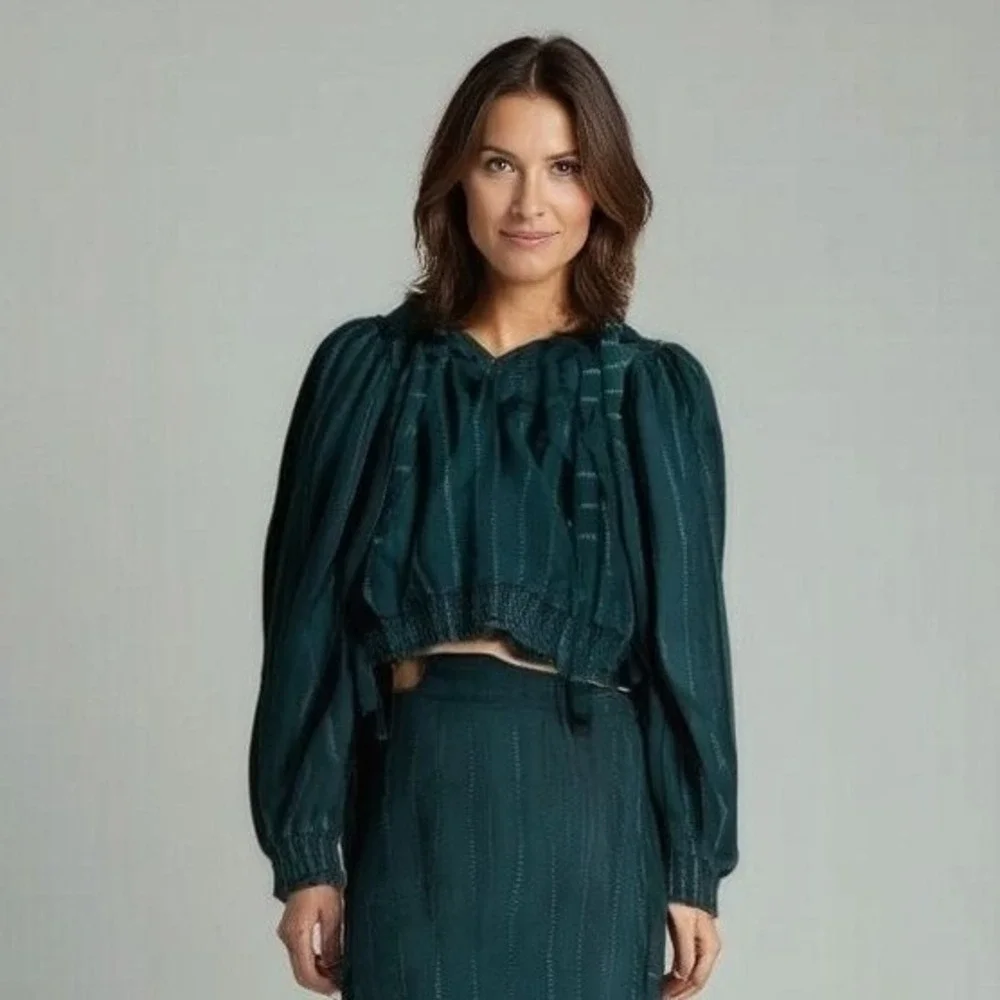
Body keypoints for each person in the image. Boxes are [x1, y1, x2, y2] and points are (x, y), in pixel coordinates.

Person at [248, 32, 739, 1000]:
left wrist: (693, 865)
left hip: (588, 811)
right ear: (455, 182)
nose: (529, 204)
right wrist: (308, 853)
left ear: (601, 192)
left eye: (564, 168)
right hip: (415, 801)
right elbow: (305, 626)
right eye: (499, 164)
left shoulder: (651, 391)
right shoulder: (366, 373)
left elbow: (689, 641)